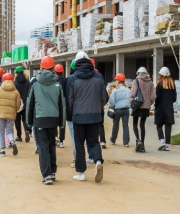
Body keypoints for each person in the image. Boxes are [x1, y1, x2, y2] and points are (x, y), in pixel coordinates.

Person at [66, 54, 108, 182]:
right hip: (95, 116)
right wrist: (97, 108)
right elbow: (104, 98)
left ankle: (81, 173)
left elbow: (70, 100)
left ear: (76, 62)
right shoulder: (99, 77)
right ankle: (98, 161)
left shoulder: (72, 78)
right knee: (94, 141)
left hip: (78, 117)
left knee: (79, 145)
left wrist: (73, 112)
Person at [26, 56, 66, 184]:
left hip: (40, 120)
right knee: (51, 146)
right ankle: (52, 172)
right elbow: (62, 105)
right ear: (53, 68)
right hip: (53, 120)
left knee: (43, 147)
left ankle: (47, 174)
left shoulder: (35, 83)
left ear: (41, 68)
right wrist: (62, 123)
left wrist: (29, 122)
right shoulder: (58, 84)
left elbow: (29, 103)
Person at [0, 72, 21, 157]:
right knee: (9, 130)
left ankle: (2, 150)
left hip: (0, 113)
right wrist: (14, 110)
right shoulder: (16, 91)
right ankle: (12, 141)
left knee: (1, 132)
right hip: (11, 114)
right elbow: (18, 104)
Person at [130, 66, 156, 152]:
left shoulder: (136, 81)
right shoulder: (150, 82)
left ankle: (138, 140)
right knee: (142, 125)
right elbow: (153, 96)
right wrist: (149, 102)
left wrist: (131, 102)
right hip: (146, 106)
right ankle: (143, 145)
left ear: (138, 73)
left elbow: (133, 93)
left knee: (134, 124)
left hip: (137, 105)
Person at [154, 67, 177, 151]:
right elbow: (174, 98)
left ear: (161, 75)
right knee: (168, 127)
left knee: (159, 125)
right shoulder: (172, 84)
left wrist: (155, 104)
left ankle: (162, 141)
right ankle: (167, 145)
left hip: (160, 108)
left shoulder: (159, 84)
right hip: (169, 108)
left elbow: (157, 97)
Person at [108, 73, 131, 147]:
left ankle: (113, 139)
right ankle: (126, 142)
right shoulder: (128, 90)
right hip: (126, 110)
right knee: (125, 126)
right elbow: (130, 100)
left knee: (115, 125)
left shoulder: (115, 90)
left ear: (118, 81)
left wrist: (112, 107)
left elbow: (112, 101)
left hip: (117, 110)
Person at [14, 66, 32, 143]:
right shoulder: (28, 82)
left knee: (17, 120)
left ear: (16, 73)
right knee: (25, 119)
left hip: (17, 104)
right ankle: (27, 130)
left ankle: (19, 136)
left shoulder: (15, 83)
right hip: (26, 103)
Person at [55, 63, 67, 148]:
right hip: (64, 104)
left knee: (55, 121)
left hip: (55, 104)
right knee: (62, 123)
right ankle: (61, 141)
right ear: (62, 72)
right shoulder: (66, 81)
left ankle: (55, 137)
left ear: (55, 72)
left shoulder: (54, 82)